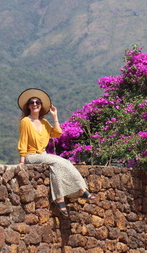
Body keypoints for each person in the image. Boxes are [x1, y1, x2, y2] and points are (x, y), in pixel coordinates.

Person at [17, 88, 96, 217]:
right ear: (28, 106)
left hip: (42, 156)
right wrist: (22, 160)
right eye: (32, 102)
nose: (35, 104)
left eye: (38, 102)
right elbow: (23, 140)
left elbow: (57, 133)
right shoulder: (25, 122)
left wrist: (55, 116)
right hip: (31, 156)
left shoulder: (44, 122)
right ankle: (74, 193)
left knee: (61, 163)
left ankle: (72, 193)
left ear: (41, 105)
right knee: (57, 160)